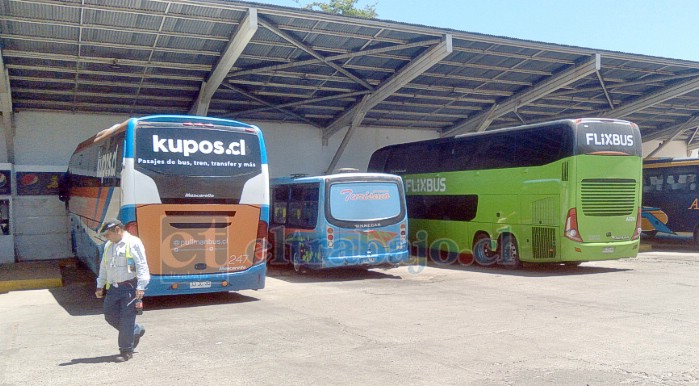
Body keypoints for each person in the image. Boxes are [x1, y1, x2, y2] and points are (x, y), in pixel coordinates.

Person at [95, 218, 150, 363]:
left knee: (126, 319)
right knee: (109, 315)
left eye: (108, 234)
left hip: (129, 288)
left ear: (117, 230)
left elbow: (142, 265)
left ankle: (126, 351)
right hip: (113, 288)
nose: (106, 237)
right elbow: (104, 267)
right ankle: (136, 331)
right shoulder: (109, 245)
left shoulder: (134, 243)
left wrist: (141, 287)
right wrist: (100, 285)